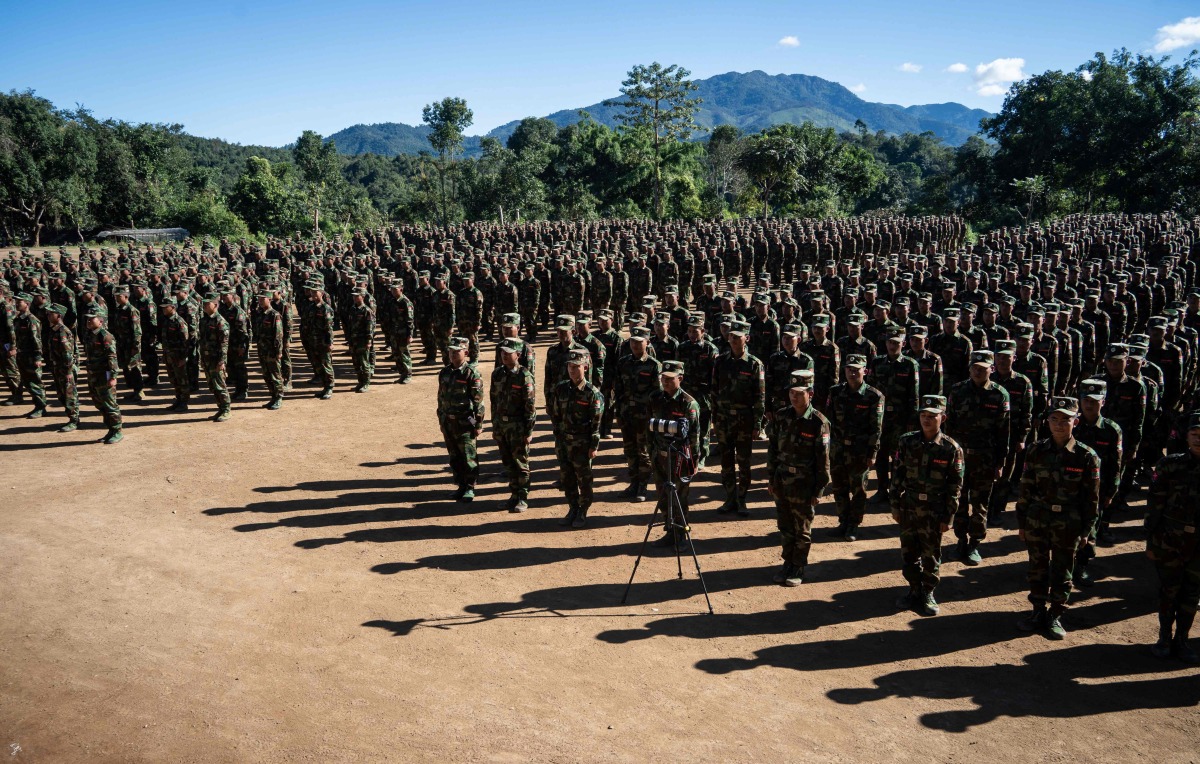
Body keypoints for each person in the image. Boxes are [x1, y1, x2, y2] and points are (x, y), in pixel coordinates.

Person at [1015, 396, 1101, 640]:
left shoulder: (1086, 456)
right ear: (1047, 421)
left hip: (1069, 522)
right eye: (1054, 419)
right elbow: (1026, 489)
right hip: (1037, 519)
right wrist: (1022, 523)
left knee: (1063, 570)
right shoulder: (1036, 450)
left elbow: (1091, 499)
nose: (1060, 425)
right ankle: (1037, 610)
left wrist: (1087, 532)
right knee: (1037, 567)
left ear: (1076, 421)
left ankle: (1055, 614)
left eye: (1066, 420)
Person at [890, 395, 964, 616]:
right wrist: (895, 504)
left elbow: (955, 485)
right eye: (923, 415)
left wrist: (949, 516)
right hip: (909, 506)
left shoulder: (951, 448)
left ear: (943, 417)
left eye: (932, 416)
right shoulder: (907, 441)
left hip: (934, 509)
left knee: (931, 554)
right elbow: (897, 475)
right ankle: (913, 589)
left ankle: (928, 592)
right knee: (909, 552)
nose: (927, 420)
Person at [766, 369, 831, 586]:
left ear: (810, 394)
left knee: (802, 528)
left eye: (800, 393)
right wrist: (771, 479)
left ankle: (799, 566)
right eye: (792, 392)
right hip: (782, 480)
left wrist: (818, 491)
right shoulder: (782, 416)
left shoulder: (818, 422)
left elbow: (823, 461)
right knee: (785, 525)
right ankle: (787, 562)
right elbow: (773, 450)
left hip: (804, 484)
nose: (794, 397)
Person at [946, 349, 1011, 565]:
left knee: (980, 504)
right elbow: (949, 426)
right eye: (974, 368)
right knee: (959, 501)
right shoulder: (957, 391)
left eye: (982, 369)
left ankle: (975, 543)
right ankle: (961, 541)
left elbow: (1003, 432)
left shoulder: (999, 394)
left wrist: (1000, 462)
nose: (977, 372)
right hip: (961, 458)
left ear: (991, 370)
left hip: (986, 458)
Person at [1145, 412, 1200, 662]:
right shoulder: (1170, 464)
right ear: (1187, 436)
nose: (1199, 439)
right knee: (1169, 590)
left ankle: (1183, 640)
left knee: (1191, 593)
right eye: (1195, 434)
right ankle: (1164, 637)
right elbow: (1155, 506)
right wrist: (1151, 541)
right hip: (1170, 540)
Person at [713, 318, 766, 516]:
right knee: (726, 463)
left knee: (744, 462)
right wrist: (715, 419)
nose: (733, 340)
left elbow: (760, 397)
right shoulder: (720, 362)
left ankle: (742, 499)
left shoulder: (754, 364)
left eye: (738, 337)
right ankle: (729, 498)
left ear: (747, 338)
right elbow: (714, 392)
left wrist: (757, 424)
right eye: (731, 337)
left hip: (745, 420)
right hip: (724, 420)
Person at [827, 354, 884, 540]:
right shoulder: (835, 392)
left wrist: (872, 453)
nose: (852, 372)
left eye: (856, 369)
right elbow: (828, 421)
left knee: (858, 489)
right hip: (838, 449)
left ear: (865, 371)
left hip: (859, 452)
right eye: (849, 369)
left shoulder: (873, 396)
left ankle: (853, 525)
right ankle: (843, 521)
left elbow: (876, 428)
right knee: (838, 487)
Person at [648, 360, 701, 547]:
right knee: (663, 496)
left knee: (679, 499)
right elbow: (650, 428)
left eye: (670, 379)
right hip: (660, 455)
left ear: (680, 378)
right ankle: (670, 531)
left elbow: (695, 436)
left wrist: (693, 462)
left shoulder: (688, 403)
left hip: (679, 458)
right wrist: (651, 452)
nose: (666, 382)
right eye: (663, 378)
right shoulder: (656, 398)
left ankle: (682, 535)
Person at [551, 349, 604, 527]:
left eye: (576, 367)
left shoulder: (592, 393)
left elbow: (596, 424)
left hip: (582, 444)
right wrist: (558, 441)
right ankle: (572, 507)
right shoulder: (561, 388)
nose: (572, 370)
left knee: (584, 479)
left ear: (586, 367)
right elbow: (556, 417)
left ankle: (583, 510)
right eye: (569, 366)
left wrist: (593, 447)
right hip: (564, 442)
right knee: (567, 478)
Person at [614, 326, 662, 501]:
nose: (635, 345)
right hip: (627, 413)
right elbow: (617, 389)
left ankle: (643, 486)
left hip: (645, 416)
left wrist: (653, 417)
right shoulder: (623, 362)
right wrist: (618, 412)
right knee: (630, 450)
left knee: (643, 451)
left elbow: (658, 394)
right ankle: (633, 482)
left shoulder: (653, 365)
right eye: (633, 341)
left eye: (639, 342)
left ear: (647, 343)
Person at [490, 338, 536, 513]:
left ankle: (522, 497)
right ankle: (513, 495)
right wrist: (495, 427)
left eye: (508, 353)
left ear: (518, 355)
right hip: (502, 425)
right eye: (502, 353)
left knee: (521, 464)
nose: (504, 356)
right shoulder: (497, 374)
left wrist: (529, 430)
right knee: (508, 462)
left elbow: (530, 406)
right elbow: (494, 402)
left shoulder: (524, 376)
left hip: (518, 426)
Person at [436, 336, 484, 501]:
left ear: (466, 352)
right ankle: (460, 485)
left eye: (457, 351)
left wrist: (477, 424)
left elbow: (478, 402)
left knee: (468, 455)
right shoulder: (445, 372)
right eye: (451, 351)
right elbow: (440, 397)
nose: (453, 354)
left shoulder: (471, 373)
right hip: (448, 421)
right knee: (454, 456)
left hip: (464, 422)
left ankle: (470, 487)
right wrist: (441, 418)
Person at [80, 307, 123, 444]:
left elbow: (112, 357)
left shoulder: (106, 336)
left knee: (110, 404)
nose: (88, 321)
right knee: (100, 404)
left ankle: (117, 431)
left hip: (104, 375)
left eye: (91, 318)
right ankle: (110, 429)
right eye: (87, 318)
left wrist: (112, 376)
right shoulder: (89, 334)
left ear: (100, 320)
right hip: (93, 374)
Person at [45, 303, 80, 432]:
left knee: (69, 395)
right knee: (62, 395)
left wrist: (68, 371)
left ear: (59, 316)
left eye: (50, 313)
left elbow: (68, 354)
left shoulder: (62, 332)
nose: (48, 315)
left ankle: (74, 420)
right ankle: (72, 418)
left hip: (65, 369)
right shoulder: (54, 330)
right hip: (58, 368)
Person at [12, 293, 47, 418]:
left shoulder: (31, 320)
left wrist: (38, 357)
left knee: (35, 382)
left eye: (19, 301)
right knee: (27, 382)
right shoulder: (18, 319)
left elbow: (37, 340)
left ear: (27, 304)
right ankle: (37, 405)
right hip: (22, 355)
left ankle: (41, 407)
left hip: (31, 356)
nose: (16, 303)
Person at [199, 294, 231, 422]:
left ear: (215, 305)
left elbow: (224, 344)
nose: (204, 306)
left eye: (208, 304)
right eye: (204, 304)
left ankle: (226, 409)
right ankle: (220, 408)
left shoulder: (221, 322)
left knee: (220, 385)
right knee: (212, 385)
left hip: (216, 360)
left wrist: (221, 361)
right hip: (207, 358)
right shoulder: (204, 320)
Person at [255, 290, 285, 410]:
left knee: (275, 375)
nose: (260, 301)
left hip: (271, 351)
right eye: (259, 299)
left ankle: (279, 397)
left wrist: (278, 351)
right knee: (266, 375)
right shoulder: (260, 313)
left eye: (263, 299)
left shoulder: (274, 315)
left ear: (269, 299)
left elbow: (278, 335)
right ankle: (272, 396)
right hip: (262, 350)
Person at [160, 296, 191, 411]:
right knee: (174, 379)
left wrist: (183, 358)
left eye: (165, 307)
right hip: (169, 356)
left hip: (179, 357)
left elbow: (185, 342)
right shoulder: (166, 321)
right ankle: (178, 400)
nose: (163, 309)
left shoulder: (179, 322)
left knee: (182, 379)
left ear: (173, 307)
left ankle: (184, 402)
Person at [347, 287, 375, 392]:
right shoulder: (352, 309)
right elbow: (350, 325)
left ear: (362, 297)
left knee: (364, 363)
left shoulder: (367, 311)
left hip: (363, 341)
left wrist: (369, 341)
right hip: (354, 340)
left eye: (356, 296)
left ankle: (366, 383)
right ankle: (360, 381)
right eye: (353, 296)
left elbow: (370, 327)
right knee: (356, 362)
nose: (354, 297)